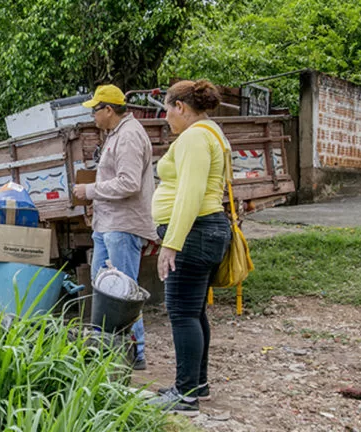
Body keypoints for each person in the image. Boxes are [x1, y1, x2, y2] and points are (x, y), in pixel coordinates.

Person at [147, 80, 232, 416]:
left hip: (194, 232)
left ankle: (185, 395)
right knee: (194, 311)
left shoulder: (195, 137)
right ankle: (197, 385)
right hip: (205, 231)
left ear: (180, 106)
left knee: (182, 313)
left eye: (167, 109)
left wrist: (171, 244)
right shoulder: (213, 133)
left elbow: (191, 194)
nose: (165, 117)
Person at [73, 84, 158, 371]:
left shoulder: (130, 136)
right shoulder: (116, 135)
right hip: (109, 225)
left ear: (108, 110)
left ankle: (135, 353)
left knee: (123, 294)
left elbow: (129, 183)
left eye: (95, 111)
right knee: (106, 291)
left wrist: (90, 190)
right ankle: (106, 350)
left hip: (122, 226)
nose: (92, 117)